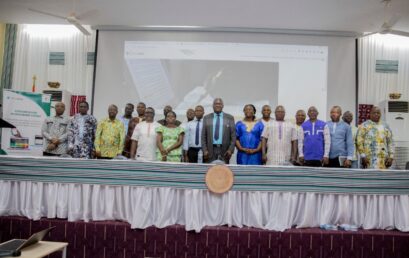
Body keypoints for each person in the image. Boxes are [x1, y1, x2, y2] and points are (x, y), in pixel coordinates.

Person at [202, 98, 236, 163]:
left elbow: (233, 136)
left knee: (223, 171)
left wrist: (230, 150)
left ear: (222, 106)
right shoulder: (206, 118)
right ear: (213, 106)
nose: (217, 105)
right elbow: (203, 136)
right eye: (216, 104)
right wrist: (204, 150)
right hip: (210, 150)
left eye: (219, 104)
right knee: (210, 170)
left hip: (225, 151)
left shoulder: (230, 118)